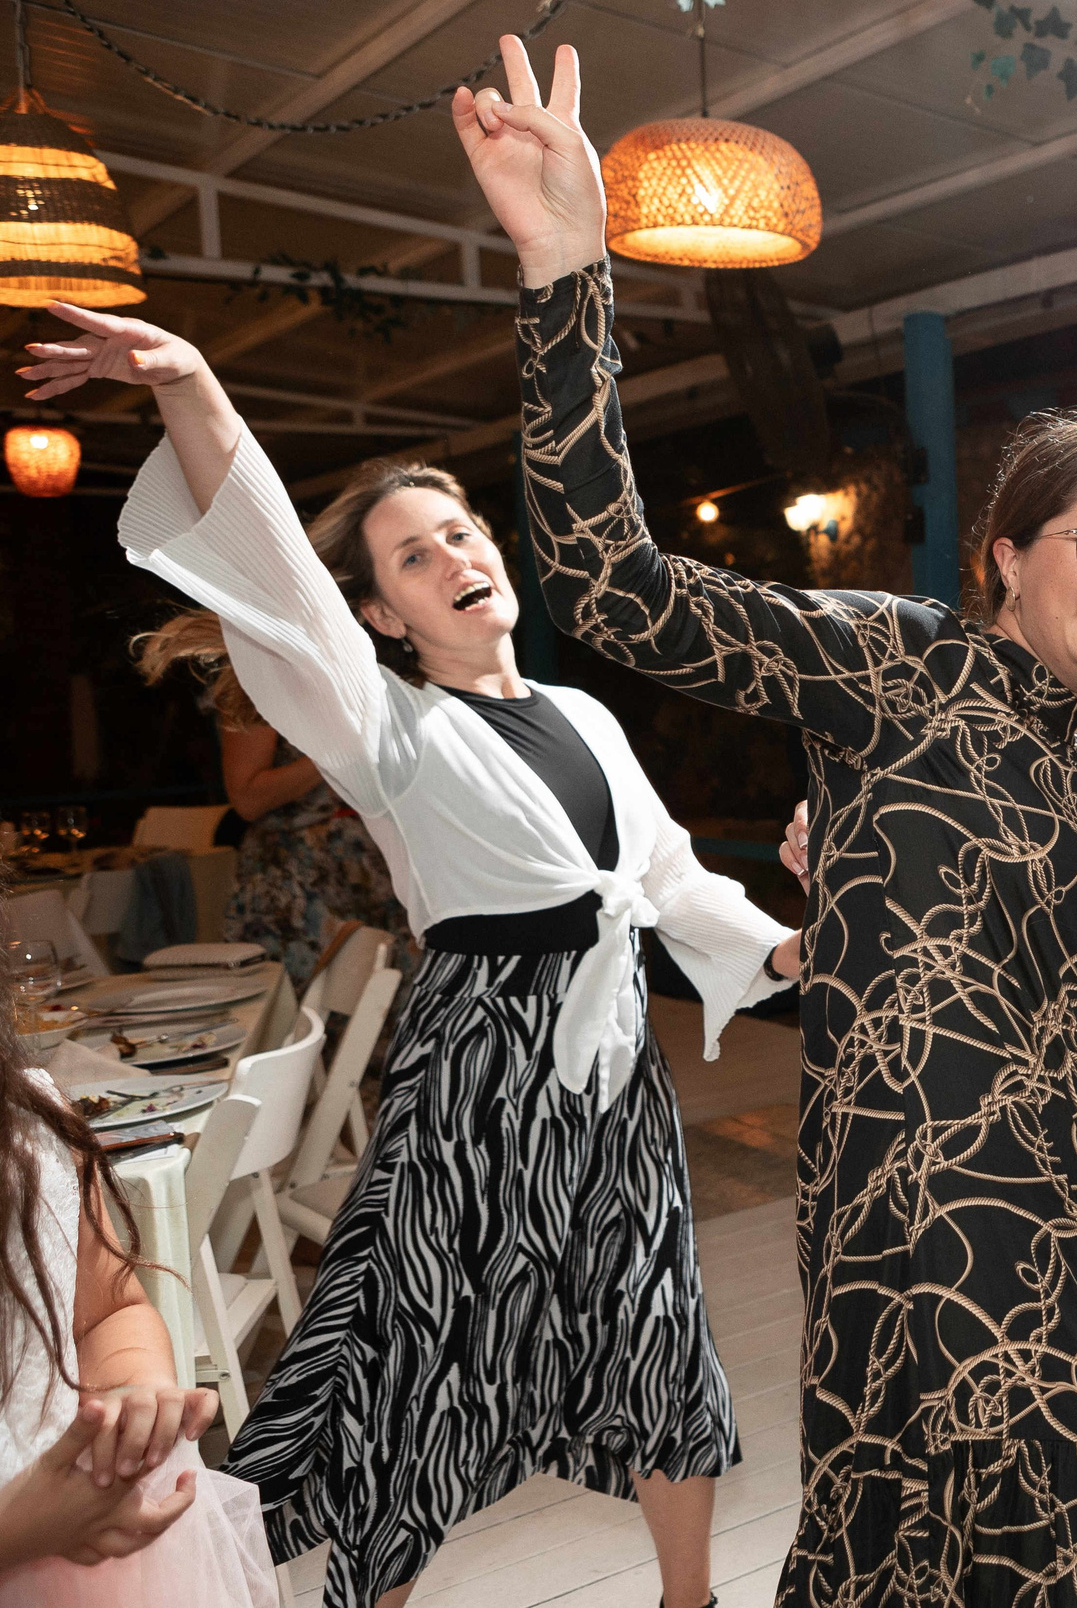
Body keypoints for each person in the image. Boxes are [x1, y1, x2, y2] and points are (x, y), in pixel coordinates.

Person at [452, 37, 1077, 1604]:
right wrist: (567, 272)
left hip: (1042, 1266)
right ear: (1007, 554)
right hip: (920, 1257)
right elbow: (609, 581)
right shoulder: (894, 662)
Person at [27, 303, 797, 1608]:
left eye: (459, 531)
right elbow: (273, 566)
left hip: (609, 1066)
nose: (448, 556)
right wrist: (191, 381)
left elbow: (666, 877)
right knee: (427, 1354)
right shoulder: (384, 726)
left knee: (659, 1330)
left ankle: (691, 1600)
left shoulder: (584, 716)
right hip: (480, 1056)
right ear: (379, 614)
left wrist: (790, 948)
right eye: (409, 555)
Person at [0, 914, 277, 1605]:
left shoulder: (30, 1116)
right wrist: (20, 1529)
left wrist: (132, 1390)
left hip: (84, 1539)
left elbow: (109, 1308)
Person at [135, 611, 412, 991]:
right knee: (310, 1017)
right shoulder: (257, 678)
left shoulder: (363, 668)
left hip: (371, 862)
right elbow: (246, 797)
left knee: (379, 1012)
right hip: (296, 878)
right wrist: (338, 751)